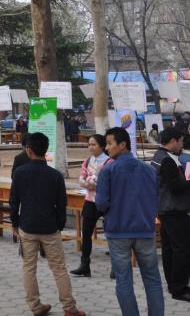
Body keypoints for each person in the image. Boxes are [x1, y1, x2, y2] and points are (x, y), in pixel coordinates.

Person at [10, 132, 85, 316]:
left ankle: (35, 306)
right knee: (59, 268)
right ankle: (69, 308)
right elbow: (62, 204)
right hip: (50, 227)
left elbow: (14, 201)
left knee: (29, 267)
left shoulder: (19, 173)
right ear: (46, 151)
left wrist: (14, 223)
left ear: (29, 150)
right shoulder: (55, 175)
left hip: (27, 226)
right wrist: (59, 225)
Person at [96, 127, 163, 316]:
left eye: (109, 143)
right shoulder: (149, 170)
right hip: (145, 230)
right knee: (152, 279)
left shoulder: (108, 170)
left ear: (122, 144)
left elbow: (101, 203)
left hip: (118, 231)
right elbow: (156, 199)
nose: (107, 148)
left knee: (124, 280)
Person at [150, 127, 190, 302]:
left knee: (169, 249)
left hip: (165, 209)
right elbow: (175, 186)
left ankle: (173, 284)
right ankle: (179, 288)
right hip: (173, 210)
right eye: (180, 141)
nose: (181, 144)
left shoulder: (159, 156)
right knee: (182, 250)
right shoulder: (167, 160)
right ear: (173, 141)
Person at [69, 134, 109, 277]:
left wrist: (89, 182)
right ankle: (85, 265)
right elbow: (82, 180)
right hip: (90, 201)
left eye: (94, 144)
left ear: (102, 146)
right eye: (89, 144)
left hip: (106, 201)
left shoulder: (109, 162)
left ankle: (116, 268)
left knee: (111, 233)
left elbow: (99, 182)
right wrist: (89, 182)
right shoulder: (87, 161)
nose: (90, 147)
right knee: (86, 233)